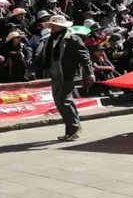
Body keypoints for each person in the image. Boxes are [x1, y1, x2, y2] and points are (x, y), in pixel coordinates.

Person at [36, 14, 94, 142]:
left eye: (54, 26)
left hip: (67, 74)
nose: (52, 28)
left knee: (64, 101)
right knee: (60, 102)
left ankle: (73, 129)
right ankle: (72, 128)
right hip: (55, 74)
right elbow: (42, 57)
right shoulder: (50, 40)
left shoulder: (72, 39)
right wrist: (32, 68)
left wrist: (89, 72)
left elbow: (84, 56)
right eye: (51, 26)